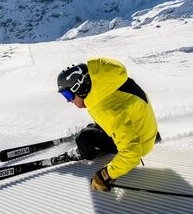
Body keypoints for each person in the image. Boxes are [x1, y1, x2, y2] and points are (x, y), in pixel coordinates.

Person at [57, 57, 160, 192]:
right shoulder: (105, 82)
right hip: (145, 128)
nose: (69, 101)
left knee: (84, 138)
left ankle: (85, 150)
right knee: (95, 127)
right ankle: (97, 136)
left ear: (79, 87)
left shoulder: (106, 109)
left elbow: (132, 153)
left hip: (141, 143)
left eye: (68, 95)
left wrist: (106, 175)